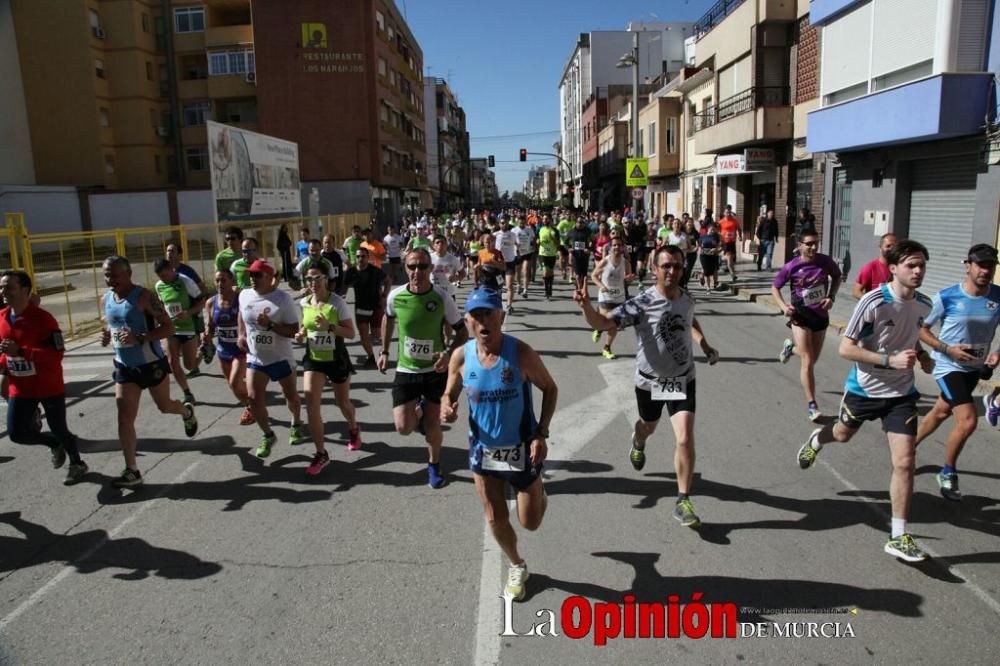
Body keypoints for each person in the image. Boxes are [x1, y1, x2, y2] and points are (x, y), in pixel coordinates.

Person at [796, 240, 934, 562]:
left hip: (901, 394)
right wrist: (889, 360)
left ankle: (898, 535)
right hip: (864, 390)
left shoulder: (924, 305)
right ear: (894, 268)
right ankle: (818, 437)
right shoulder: (874, 301)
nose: (917, 271)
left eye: (922, 265)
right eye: (911, 265)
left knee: (904, 462)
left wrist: (923, 357)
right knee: (841, 435)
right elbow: (846, 348)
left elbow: (910, 337)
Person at [575, 244, 719, 528]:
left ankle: (683, 499)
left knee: (684, 436)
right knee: (648, 427)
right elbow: (604, 323)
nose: (672, 271)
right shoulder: (641, 303)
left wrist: (704, 344)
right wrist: (586, 306)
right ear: (654, 270)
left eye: (677, 265)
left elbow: (690, 320)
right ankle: (638, 440)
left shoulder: (687, 299)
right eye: (666, 266)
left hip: (682, 379)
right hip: (650, 381)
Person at [440, 287, 557, 601]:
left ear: (501, 317)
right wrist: (447, 406)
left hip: (521, 447)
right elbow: (449, 393)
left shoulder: (520, 353)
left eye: (488, 314)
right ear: (466, 322)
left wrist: (540, 433)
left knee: (530, 522)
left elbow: (550, 388)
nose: (482, 321)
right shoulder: (461, 356)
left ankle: (537, 491)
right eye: (475, 316)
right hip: (483, 450)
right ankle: (517, 564)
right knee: (494, 516)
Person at [99, 256, 197, 488]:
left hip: (151, 363)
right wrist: (105, 336)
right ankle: (132, 470)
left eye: (114, 275)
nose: (110, 280)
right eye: (106, 275)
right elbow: (111, 325)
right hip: (124, 366)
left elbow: (169, 327)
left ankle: (185, 412)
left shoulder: (144, 297)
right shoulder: (106, 299)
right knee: (124, 417)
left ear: (128, 274)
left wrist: (140, 337)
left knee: (164, 407)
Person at [914, 244, 1000, 501]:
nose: (986, 270)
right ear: (968, 266)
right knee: (967, 420)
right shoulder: (947, 297)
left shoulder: (998, 296)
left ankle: (907, 445)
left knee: (940, 412)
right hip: (948, 365)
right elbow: (922, 330)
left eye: (991, 266)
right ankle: (948, 472)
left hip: (974, 367)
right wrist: (946, 349)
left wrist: (997, 353)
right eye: (980, 265)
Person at [378, 248, 469, 488]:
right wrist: (385, 351)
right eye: (412, 266)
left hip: (434, 372)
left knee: (433, 425)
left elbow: (462, 331)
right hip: (406, 371)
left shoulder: (440, 297)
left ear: (430, 269)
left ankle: (434, 465)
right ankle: (417, 413)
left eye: (422, 266)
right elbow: (387, 318)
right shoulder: (396, 296)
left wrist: (448, 354)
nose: (416, 271)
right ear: (406, 268)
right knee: (403, 428)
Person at [0, 270, 88, 484]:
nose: (3, 292)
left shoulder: (43, 319)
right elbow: (4, 351)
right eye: (1, 287)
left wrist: (22, 351)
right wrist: (4, 369)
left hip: (48, 385)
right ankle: (53, 444)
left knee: (59, 428)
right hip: (20, 387)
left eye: (9, 287)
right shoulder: (2, 317)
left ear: (25, 290)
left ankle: (77, 463)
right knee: (17, 434)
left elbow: (56, 354)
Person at [772, 228, 842, 421]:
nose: (813, 247)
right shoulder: (791, 266)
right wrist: (783, 306)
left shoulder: (825, 261)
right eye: (809, 243)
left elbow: (837, 277)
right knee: (808, 360)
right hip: (800, 315)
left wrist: (831, 297)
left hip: (820, 316)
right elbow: (775, 287)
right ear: (800, 245)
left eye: (815, 243)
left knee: (811, 359)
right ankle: (812, 405)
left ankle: (790, 348)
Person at [237, 259, 304, 458]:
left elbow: (293, 330)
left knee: (290, 396)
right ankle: (267, 435)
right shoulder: (244, 295)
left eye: (257, 275)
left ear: (269, 277)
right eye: (250, 274)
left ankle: (296, 422)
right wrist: (241, 334)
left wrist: (270, 325)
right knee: (254, 399)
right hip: (256, 359)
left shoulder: (282, 299)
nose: (252, 278)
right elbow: (241, 314)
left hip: (280, 359)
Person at [297, 262, 359, 474]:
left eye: (317, 278)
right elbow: (306, 326)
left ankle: (353, 428)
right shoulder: (304, 302)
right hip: (314, 360)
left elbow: (351, 333)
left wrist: (330, 327)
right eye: (309, 279)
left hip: (336, 359)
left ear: (326, 279)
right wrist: (301, 334)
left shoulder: (337, 303)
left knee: (342, 403)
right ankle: (321, 453)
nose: (312, 283)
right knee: (311, 405)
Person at [202, 268, 254, 426]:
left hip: (241, 350)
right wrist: (206, 336)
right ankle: (252, 404)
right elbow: (210, 326)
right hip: (223, 350)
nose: (220, 284)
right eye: (217, 280)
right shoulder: (211, 303)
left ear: (232, 281)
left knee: (234, 383)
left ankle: (253, 403)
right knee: (234, 388)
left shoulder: (241, 300)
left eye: (223, 280)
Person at [153, 258, 205, 405]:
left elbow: (202, 302)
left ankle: (203, 350)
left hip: (188, 326)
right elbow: (162, 305)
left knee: (190, 365)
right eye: (161, 277)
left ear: (171, 269)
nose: (164, 279)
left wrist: (188, 313)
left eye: (165, 275)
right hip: (171, 328)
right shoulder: (159, 286)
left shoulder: (186, 281)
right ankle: (187, 393)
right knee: (172, 362)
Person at [345, 246, 391, 367]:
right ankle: (371, 356)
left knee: (376, 334)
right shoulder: (351, 272)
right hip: (360, 308)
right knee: (363, 334)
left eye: (363, 256)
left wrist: (385, 295)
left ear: (368, 257)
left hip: (376, 306)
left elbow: (388, 281)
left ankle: (381, 351)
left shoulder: (375, 270)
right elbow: (343, 287)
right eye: (358, 256)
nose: (360, 258)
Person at [590, 236, 633, 359]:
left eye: (619, 245)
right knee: (605, 320)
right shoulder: (605, 261)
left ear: (623, 248)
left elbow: (627, 280)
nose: (617, 247)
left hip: (619, 296)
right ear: (610, 247)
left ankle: (606, 348)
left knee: (614, 324)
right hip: (605, 296)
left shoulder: (626, 263)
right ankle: (599, 329)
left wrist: (629, 280)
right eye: (614, 245)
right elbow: (593, 275)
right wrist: (601, 286)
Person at [852, 234, 897, 298]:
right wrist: (871, 302)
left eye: (894, 246)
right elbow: (856, 291)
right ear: (880, 247)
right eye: (888, 246)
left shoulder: (899, 267)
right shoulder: (870, 268)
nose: (891, 249)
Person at [494, 218, 519, 313]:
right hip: (499, 265)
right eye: (502, 223)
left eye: (505, 223)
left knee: (509, 285)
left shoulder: (513, 234)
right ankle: (498, 304)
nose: (504, 224)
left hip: (510, 263)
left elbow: (518, 244)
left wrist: (518, 248)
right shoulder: (495, 235)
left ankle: (509, 305)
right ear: (499, 224)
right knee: (499, 286)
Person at [536, 214, 560, 300]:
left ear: (550, 219)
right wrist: (537, 241)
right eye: (543, 219)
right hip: (542, 254)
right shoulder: (540, 229)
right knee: (546, 272)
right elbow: (537, 238)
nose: (545, 220)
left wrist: (553, 239)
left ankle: (550, 287)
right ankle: (547, 291)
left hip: (552, 254)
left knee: (550, 272)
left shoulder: (555, 230)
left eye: (546, 219)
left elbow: (558, 243)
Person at [565, 216, 593, 293]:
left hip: (585, 255)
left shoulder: (588, 231)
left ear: (584, 223)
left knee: (584, 276)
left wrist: (589, 249)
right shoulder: (572, 231)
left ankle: (582, 288)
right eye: (578, 222)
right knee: (577, 275)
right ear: (576, 223)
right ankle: (579, 289)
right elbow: (565, 242)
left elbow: (593, 241)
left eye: (582, 222)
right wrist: (569, 248)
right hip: (575, 255)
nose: (580, 224)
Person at [513, 217, 536, 297]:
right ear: (517, 222)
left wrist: (533, 246)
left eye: (523, 223)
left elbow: (533, 240)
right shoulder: (514, 230)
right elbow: (511, 240)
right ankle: (519, 284)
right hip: (517, 253)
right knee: (518, 271)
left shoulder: (529, 229)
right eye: (520, 223)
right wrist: (516, 244)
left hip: (527, 252)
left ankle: (525, 290)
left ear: (525, 222)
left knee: (525, 270)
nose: (521, 224)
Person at [718, 209, 742, 282]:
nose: (728, 214)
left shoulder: (734, 221)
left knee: (731, 259)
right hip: (724, 242)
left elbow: (739, 229)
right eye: (726, 212)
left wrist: (740, 236)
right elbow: (717, 231)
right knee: (729, 260)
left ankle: (721, 258)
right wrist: (719, 239)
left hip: (732, 242)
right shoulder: (721, 222)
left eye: (729, 212)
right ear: (724, 213)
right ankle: (732, 275)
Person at [698, 222, 722, 292]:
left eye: (714, 230)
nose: (713, 231)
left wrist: (716, 249)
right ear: (708, 229)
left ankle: (712, 281)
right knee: (706, 271)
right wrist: (701, 249)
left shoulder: (716, 237)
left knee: (713, 270)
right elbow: (699, 246)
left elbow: (720, 246)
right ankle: (708, 287)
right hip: (704, 256)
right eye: (711, 229)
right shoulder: (703, 236)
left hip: (713, 256)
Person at [556, 214, 575, 282]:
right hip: (562, 243)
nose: (569, 216)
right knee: (561, 257)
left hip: (570, 244)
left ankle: (566, 271)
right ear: (566, 216)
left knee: (568, 259)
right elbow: (557, 232)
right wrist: (564, 234)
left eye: (570, 215)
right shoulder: (562, 223)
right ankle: (563, 271)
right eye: (567, 215)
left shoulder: (573, 223)